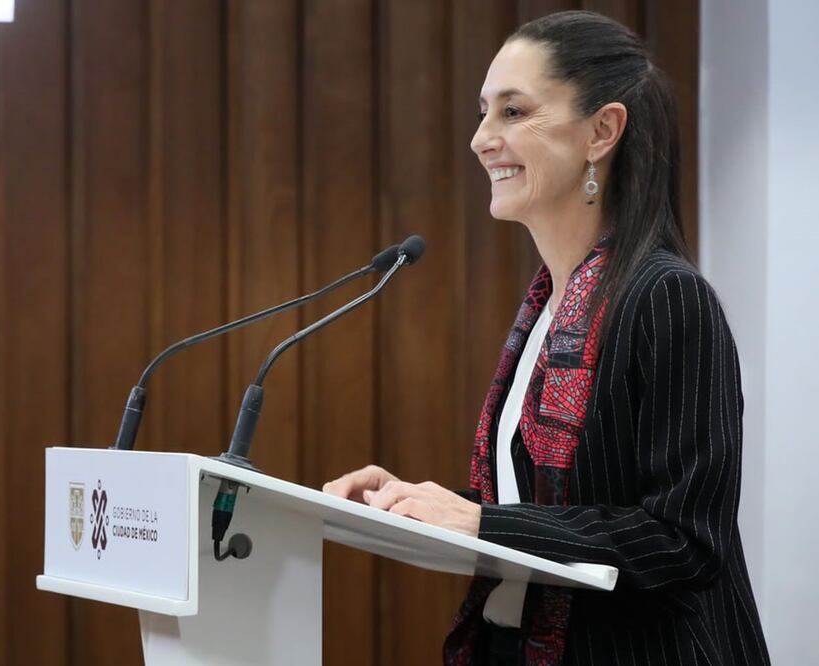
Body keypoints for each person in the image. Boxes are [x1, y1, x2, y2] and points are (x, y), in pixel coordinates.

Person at [322, 11, 769, 666]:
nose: (480, 139)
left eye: (512, 111)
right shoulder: (546, 307)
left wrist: (481, 523)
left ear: (601, 131)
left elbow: (683, 541)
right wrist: (414, 504)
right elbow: (548, 509)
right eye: (482, 112)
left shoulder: (667, 297)